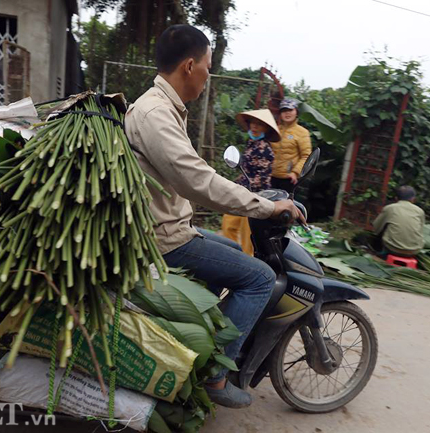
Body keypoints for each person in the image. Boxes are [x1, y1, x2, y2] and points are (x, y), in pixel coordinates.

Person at [124, 24, 303, 408]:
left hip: (171, 225)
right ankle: (215, 375)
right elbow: (197, 180)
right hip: (163, 238)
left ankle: (203, 339)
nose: (208, 74)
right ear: (190, 66)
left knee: (232, 251)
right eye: (208, 65)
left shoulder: (165, 108)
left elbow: (191, 172)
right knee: (259, 277)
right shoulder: (155, 113)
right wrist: (269, 206)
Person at [221, 109, 280, 256]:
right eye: (253, 123)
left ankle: (247, 261)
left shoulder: (265, 149)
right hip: (242, 192)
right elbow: (246, 172)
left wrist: (244, 187)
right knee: (229, 225)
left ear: (265, 128)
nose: (254, 127)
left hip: (255, 196)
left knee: (247, 234)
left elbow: (263, 177)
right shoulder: (251, 143)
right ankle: (232, 255)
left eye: (259, 125)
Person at [270, 98, 312, 193]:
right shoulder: (275, 130)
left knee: (285, 206)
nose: (287, 113)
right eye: (284, 110)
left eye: (290, 110)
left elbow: (306, 156)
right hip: (270, 177)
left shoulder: (302, 132)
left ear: (296, 112)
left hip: (288, 179)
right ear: (280, 114)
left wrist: (295, 172)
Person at [372, 186, 425, 257]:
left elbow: (376, 228)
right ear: (413, 199)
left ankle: (381, 252)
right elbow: (420, 230)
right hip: (414, 250)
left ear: (396, 198)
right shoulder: (420, 211)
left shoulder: (390, 208)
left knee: (384, 227)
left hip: (393, 248)